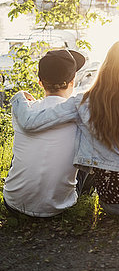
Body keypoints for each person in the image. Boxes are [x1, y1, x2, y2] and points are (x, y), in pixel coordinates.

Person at [11, 41, 119, 215]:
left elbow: (31, 121)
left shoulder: (82, 102)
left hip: (110, 202)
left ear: (106, 68)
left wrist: (20, 98)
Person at [3, 48, 86, 217]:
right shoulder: (80, 113)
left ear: (40, 82)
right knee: (85, 152)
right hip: (59, 208)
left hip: (14, 203)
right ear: (72, 82)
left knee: (25, 145)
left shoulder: (24, 110)